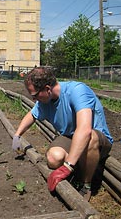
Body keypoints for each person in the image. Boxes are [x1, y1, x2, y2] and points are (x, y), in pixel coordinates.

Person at [12, 67, 112, 201]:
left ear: (47, 89)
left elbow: (84, 129)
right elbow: (32, 115)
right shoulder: (45, 101)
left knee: (90, 137)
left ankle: (86, 184)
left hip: (96, 139)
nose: (33, 99)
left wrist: (68, 166)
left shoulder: (77, 91)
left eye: (35, 95)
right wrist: (17, 135)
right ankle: (80, 165)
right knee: (54, 158)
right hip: (70, 136)